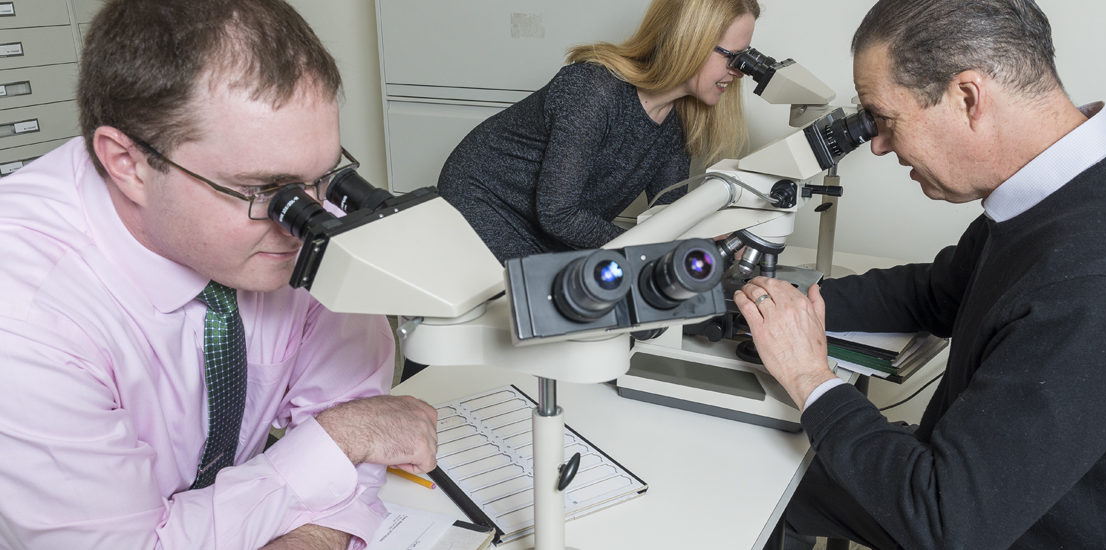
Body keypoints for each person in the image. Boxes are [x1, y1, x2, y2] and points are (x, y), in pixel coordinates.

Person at [737, 0, 1106, 548]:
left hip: (1021, 525)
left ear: (967, 96)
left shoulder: (1100, 278)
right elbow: (937, 293)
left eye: (885, 119)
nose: (879, 145)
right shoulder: (1085, 181)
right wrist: (772, 303)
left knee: (757, 472)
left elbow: (944, 522)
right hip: (997, 485)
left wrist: (809, 378)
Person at [0, 1, 438, 548]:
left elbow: (362, 442)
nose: (304, 221)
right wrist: (337, 440)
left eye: (323, 177)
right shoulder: (24, 317)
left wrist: (318, 513)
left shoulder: (294, 227)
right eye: (263, 191)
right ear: (127, 163)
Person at [437, 0, 759, 262]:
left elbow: (669, 213)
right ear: (687, 43)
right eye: (732, 57)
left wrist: (711, 240)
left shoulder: (679, 119)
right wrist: (654, 253)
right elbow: (558, 213)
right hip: (486, 204)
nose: (738, 72)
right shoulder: (594, 90)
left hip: (554, 229)